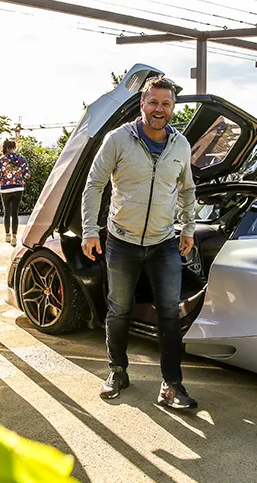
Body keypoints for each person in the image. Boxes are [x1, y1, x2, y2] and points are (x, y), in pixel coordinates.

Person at [80, 77, 198, 409]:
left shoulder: (181, 145)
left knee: (170, 314)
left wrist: (187, 229)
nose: (159, 109)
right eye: (153, 102)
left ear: (173, 108)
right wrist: (90, 230)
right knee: (118, 310)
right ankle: (118, 371)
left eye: (166, 104)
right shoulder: (117, 140)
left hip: (164, 242)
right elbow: (94, 185)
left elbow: (187, 190)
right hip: (121, 241)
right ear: (141, 104)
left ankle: (172, 386)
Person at [0, 139, 30, 246]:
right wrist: (19, 177)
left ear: (5, 148)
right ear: (14, 147)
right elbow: (27, 174)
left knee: (7, 212)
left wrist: (2, 181)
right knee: (15, 213)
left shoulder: (2, 160)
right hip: (18, 188)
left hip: (5, 188)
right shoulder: (21, 159)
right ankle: (14, 237)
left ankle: (7, 235)